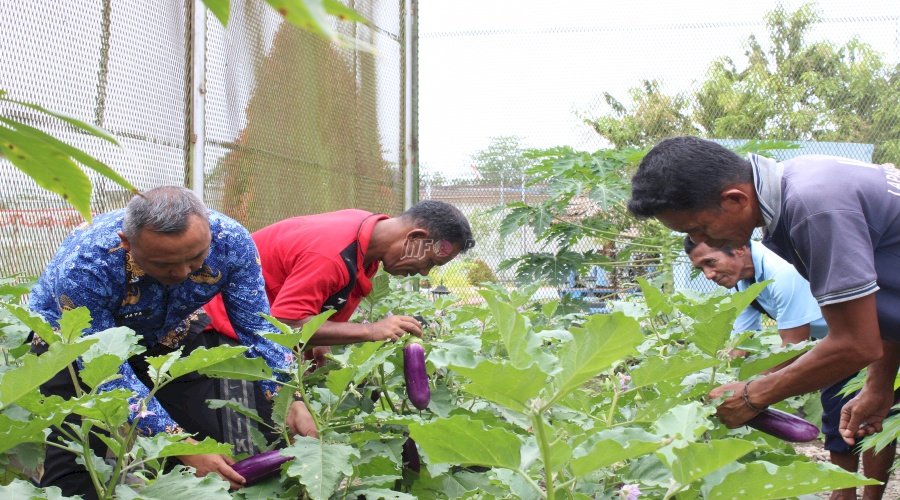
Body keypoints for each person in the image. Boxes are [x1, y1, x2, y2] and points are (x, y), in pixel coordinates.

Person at [628, 137, 900, 496]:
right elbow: (883, 308)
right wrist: (879, 387)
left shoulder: (813, 207)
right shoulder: (801, 186)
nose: (698, 238)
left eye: (698, 228)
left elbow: (854, 343)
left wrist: (752, 396)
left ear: (735, 199)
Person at [29, 186, 317, 498]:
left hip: (168, 332)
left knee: (207, 445)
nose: (182, 272)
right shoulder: (87, 266)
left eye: (195, 259)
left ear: (208, 231)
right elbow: (109, 371)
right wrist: (177, 443)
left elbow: (260, 329)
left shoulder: (231, 241)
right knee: (77, 464)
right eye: (164, 263)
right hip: (75, 345)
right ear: (127, 243)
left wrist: (290, 397)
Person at [686, 237, 893, 499]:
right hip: (836, 340)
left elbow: (793, 348)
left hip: (866, 337)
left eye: (710, 263)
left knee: (875, 418)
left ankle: (867, 497)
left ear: (739, 248)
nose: (708, 274)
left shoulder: (781, 270)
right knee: (837, 417)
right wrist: (725, 381)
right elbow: (742, 343)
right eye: (700, 268)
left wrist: (749, 394)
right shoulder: (742, 281)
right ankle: (844, 494)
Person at [203, 200, 473, 351]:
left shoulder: (365, 242)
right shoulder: (332, 253)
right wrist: (371, 330)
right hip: (214, 332)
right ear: (415, 238)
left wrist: (319, 344)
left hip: (244, 333)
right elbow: (284, 325)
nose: (424, 272)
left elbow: (314, 311)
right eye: (429, 261)